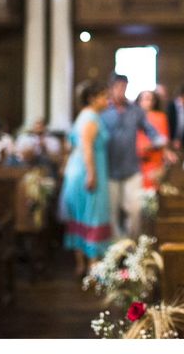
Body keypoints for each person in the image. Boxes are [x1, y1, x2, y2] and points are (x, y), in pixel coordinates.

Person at [101, 73, 167, 239]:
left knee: (135, 209)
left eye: (125, 87)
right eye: (118, 87)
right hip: (109, 170)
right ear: (111, 88)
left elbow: (151, 131)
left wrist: (160, 142)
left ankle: (131, 243)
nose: (122, 90)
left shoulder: (135, 110)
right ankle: (117, 247)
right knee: (112, 212)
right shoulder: (103, 111)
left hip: (131, 168)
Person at [58, 80, 111, 277]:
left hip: (79, 169)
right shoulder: (90, 117)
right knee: (92, 214)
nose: (108, 100)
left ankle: (83, 265)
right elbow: (87, 147)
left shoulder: (86, 116)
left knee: (80, 217)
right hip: (87, 171)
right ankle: (93, 267)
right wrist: (91, 174)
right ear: (92, 98)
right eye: (104, 96)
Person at [135, 90, 173, 190]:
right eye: (146, 99)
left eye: (151, 99)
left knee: (152, 189)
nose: (149, 102)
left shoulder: (160, 117)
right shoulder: (133, 117)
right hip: (137, 159)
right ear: (139, 101)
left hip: (154, 159)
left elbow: (163, 139)